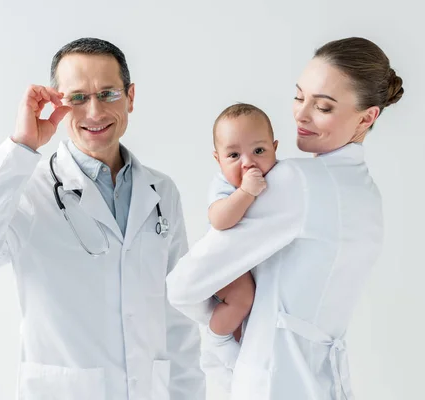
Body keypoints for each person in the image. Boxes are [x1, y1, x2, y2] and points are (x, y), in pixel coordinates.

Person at [0, 37, 205, 400]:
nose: (94, 112)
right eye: (77, 98)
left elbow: (178, 319)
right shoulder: (27, 191)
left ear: (131, 96)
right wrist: (20, 146)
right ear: (58, 104)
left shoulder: (161, 192)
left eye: (108, 93)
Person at [166, 36, 404, 400]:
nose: (301, 114)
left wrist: (222, 327)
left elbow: (184, 285)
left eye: (323, 106)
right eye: (299, 97)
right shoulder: (368, 194)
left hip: (271, 380)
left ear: (367, 116)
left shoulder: (296, 183)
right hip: (327, 383)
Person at [204, 103, 278, 369]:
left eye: (259, 150)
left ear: (275, 148)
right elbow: (219, 220)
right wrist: (246, 192)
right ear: (218, 160)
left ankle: (234, 362)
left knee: (248, 320)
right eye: (233, 155)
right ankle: (217, 340)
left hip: (248, 262)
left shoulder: (279, 177)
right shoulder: (224, 185)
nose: (248, 162)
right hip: (223, 263)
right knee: (242, 298)